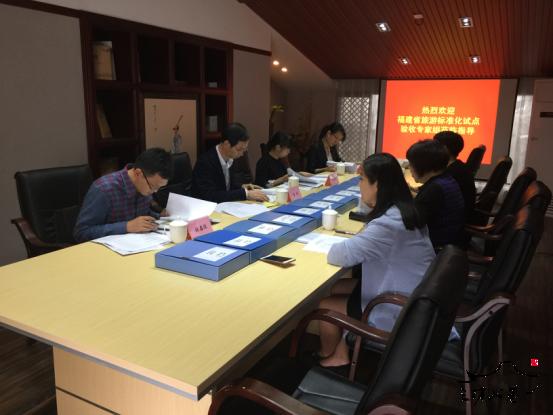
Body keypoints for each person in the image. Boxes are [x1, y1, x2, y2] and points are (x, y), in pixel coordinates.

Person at [316, 153, 435, 368]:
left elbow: (338, 255)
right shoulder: (404, 209)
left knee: (325, 306)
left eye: (362, 180)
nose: (359, 185)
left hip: (398, 305)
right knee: (336, 287)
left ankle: (333, 360)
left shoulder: (388, 225)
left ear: (377, 185)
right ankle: (343, 348)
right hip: (413, 292)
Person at [74, 148, 172, 242]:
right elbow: (81, 232)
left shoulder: (145, 185)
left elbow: (140, 214)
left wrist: (159, 216)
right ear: (138, 173)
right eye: (153, 186)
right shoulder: (104, 189)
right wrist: (127, 226)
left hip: (140, 244)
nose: (155, 191)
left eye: (159, 187)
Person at [407, 139, 466, 248]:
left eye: (411, 164)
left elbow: (411, 223)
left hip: (435, 247)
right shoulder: (446, 179)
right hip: (450, 241)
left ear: (423, 165)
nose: (409, 168)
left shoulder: (434, 189)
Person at [191, 122, 268, 203]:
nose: (242, 154)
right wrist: (245, 194)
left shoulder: (230, 158)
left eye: (244, 150)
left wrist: (242, 187)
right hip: (205, 206)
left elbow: (226, 187)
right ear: (226, 144)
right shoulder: (205, 162)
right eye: (239, 149)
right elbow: (210, 196)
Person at [433, 131, 476, 219]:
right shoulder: (458, 167)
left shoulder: (452, 173)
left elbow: (434, 197)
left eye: (434, 146)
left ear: (445, 149)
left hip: (454, 219)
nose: (432, 150)